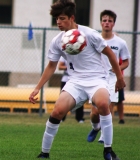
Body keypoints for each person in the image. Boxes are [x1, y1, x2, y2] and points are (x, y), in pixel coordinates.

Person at [28, 1, 125, 159]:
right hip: (75, 82)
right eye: (56, 19)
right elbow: (52, 65)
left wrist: (119, 78)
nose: (58, 22)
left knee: (102, 104)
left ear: (72, 18)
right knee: (57, 111)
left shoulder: (90, 34)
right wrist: (37, 88)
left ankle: (108, 151)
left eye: (62, 18)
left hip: (97, 79)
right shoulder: (58, 40)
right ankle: (44, 153)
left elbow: (110, 54)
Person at [87, 10, 130, 144]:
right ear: (101, 23)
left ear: (113, 24)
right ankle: (96, 127)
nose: (107, 23)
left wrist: (117, 69)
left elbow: (126, 62)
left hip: (112, 79)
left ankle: (103, 137)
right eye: (104, 20)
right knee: (95, 113)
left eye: (110, 21)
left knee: (108, 108)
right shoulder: (94, 39)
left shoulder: (120, 42)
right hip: (97, 78)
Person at [58, 57, 85, 123]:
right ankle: (61, 117)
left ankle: (79, 118)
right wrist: (69, 67)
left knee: (79, 98)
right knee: (63, 99)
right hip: (66, 79)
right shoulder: (64, 54)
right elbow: (60, 67)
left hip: (78, 79)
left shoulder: (81, 53)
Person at [116, 58, 125, 124]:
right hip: (106, 78)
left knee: (120, 100)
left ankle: (121, 119)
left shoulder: (119, 52)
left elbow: (124, 63)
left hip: (118, 79)